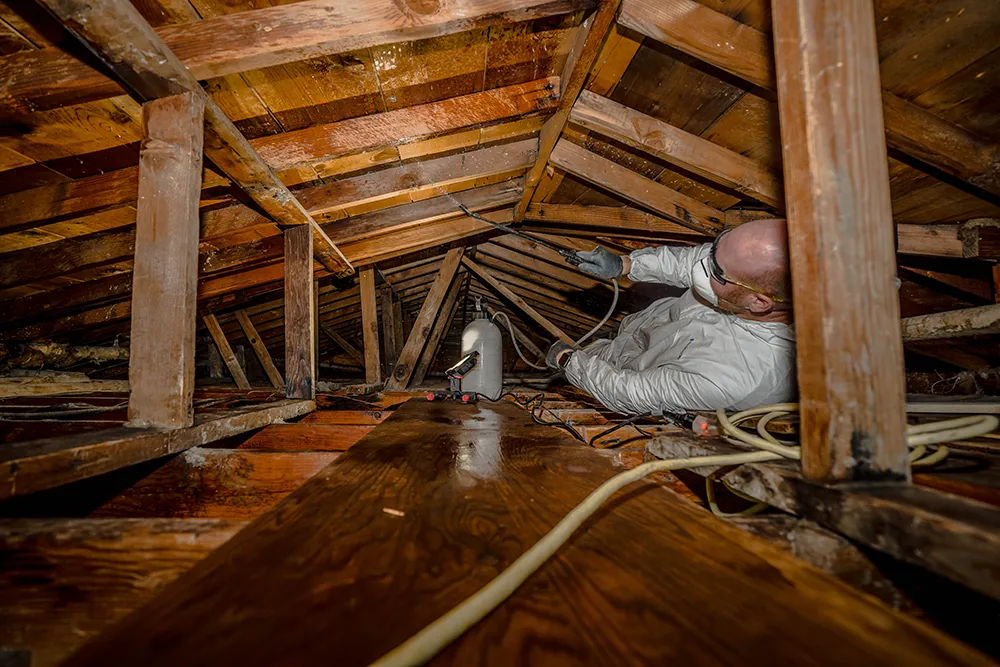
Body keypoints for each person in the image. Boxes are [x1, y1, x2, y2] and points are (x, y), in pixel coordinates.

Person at [545, 218, 796, 416]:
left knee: (597, 355)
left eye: (716, 272)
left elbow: (629, 390)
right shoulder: (742, 273)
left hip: (628, 366)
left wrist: (569, 361)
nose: (701, 267)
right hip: (640, 328)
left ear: (759, 302)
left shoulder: (739, 378)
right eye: (713, 252)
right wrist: (627, 265)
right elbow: (690, 261)